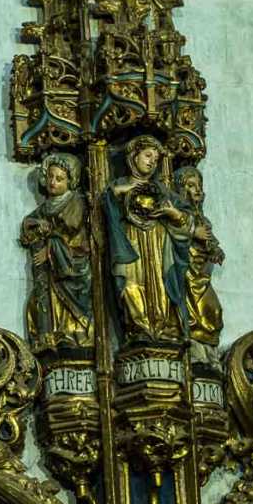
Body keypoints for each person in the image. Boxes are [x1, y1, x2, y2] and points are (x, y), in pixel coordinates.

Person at [103, 135, 195, 344]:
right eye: (147, 155)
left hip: (158, 242)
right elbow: (107, 206)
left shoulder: (162, 191)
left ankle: (163, 327)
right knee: (130, 283)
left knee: (160, 284)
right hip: (129, 242)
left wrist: (174, 215)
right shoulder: (118, 186)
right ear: (134, 157)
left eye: (155, 158)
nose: (152, 161)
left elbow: (186, 218)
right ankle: (138, 328)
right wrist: (121, 191)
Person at [21, 153, 94, 351]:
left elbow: (71, 226)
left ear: (71, 181)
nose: (53, 182)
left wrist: (51, 249)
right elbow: (29, 223)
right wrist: (37, 225)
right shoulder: (45, 207)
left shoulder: (76, 201)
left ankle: (76, 333)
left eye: (59, 179)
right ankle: (55, 334)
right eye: (50, 177)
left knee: (74, 300)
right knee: (44, 300)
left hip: (73, 264)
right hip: (53, 271)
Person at [173, 166, 224, 359]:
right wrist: (192, 232)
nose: (197, 190)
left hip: (202, 276)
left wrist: (216, 251)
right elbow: (170, 234)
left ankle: (208, 351)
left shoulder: (203, 219)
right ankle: (195, 352)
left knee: (214, 310)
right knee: (191, 314)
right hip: (187, 273)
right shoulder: (179, 215)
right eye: (191, 186)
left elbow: (211, 242)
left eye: (199, 185)